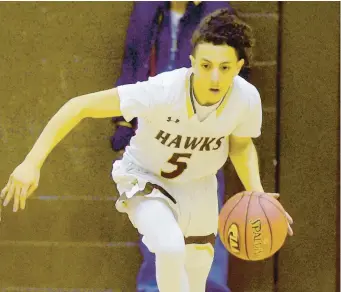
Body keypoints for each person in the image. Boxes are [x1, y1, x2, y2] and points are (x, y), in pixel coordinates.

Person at [0, 9, 293, 292]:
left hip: (198, 185)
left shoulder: (246, 99)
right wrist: (31, 162)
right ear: (192, 62)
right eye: (206, 66)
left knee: (197, 271)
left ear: (239, 67)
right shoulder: (162, 91)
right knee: (168, 246)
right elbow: (79, 106)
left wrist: (257, 192)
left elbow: (240, 145)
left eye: (225, 67)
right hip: (145, 177)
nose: (215, 77)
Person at [110, 2, 234, 291]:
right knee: (157, 229)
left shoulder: (217, 10)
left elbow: (234, 76)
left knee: (204, 233)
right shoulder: (148, 10)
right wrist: (123, 123)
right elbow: (132, 63)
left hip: (199, 137)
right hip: (153, 135)